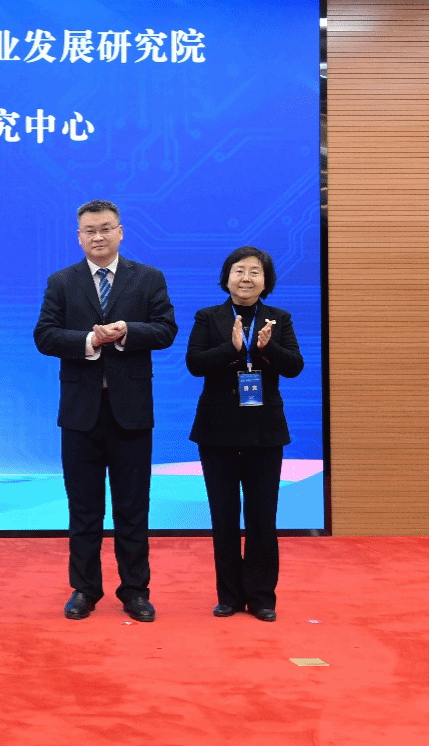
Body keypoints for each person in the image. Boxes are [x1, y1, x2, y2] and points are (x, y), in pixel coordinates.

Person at [34, 200, 177, 623]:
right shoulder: (62, 281)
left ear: (121, 232)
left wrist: (128, 331)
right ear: (79, 237)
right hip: (80, 415)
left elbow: (166, 329)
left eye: (105, 228)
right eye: (90, 230)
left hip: (132, 413)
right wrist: (90, 341)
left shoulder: (147, 278)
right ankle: (85, 589)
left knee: (133, 508)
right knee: (84, 509)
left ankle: (135, 591)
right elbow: (45, 336)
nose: (98, 236)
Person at [185, 246, 303, 623]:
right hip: (217, 432)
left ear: (265, 281)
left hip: (264, 433)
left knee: (262, 518)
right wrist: (232, 349)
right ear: (227, 278)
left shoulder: (278, 319)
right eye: (239, 271)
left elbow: (295, 366)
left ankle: (262, 597)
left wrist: (268, 350)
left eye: (255, 272)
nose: (246, 278)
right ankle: (229, 596)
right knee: (224, 518)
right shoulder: (208, 317)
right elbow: (194, 364)